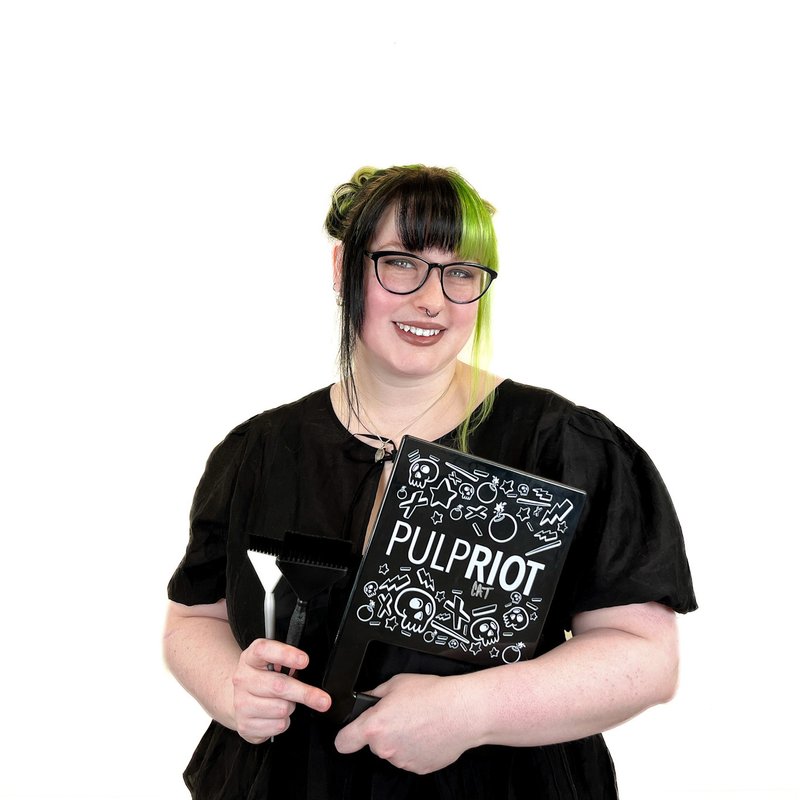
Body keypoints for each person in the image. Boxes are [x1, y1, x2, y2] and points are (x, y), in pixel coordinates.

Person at [163, 164, 697, 799]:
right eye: (402, 262)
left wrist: (471, 710)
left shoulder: (563, 445)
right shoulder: (258, 451)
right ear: (344, 268)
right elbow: (193, 618)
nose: (432, 299)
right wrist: (230, 687)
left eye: (461, 273)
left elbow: (645, 657)